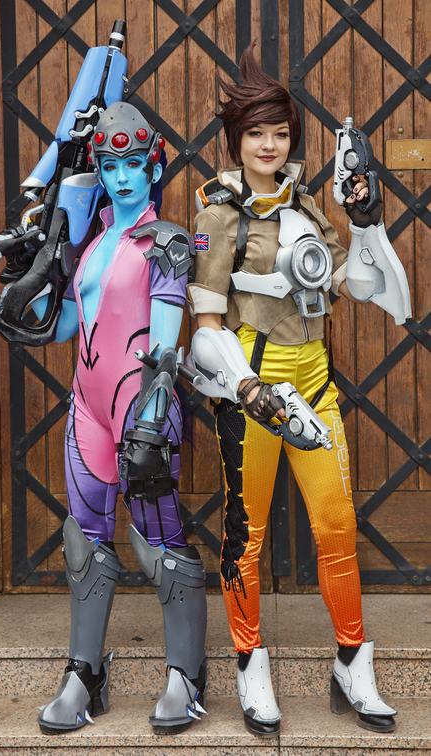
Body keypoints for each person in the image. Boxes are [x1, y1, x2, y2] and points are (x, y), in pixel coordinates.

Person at [186, 42, 400, 737]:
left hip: (316, 383)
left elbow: (356, 287)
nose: (269, 145)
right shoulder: (219, 214)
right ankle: (250, 662)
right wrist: (247, 388)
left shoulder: (309, 202)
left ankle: (352, 661)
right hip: (253, 390)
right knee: (245, 536)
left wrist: (365, 224)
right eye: (256, 132)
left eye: (279, 132)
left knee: (335, 526)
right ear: (236, 139)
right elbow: (206, 326)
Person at [31, 101, 207, 734]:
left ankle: (186, 675)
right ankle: (85, 673)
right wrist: (32, 281)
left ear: (153, 167)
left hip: (140, 404)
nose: (123, 176)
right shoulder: (93, 244)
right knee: (84, 537)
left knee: (159, 537)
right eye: (111, 166)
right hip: (87, 406)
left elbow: (165, 347)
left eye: (134, 164)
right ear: (100, 173)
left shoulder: (169, 242)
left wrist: (153, 419)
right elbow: (67, 328)